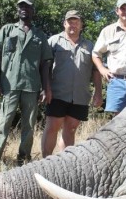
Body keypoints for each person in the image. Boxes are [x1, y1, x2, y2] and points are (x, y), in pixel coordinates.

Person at [0, 0, 52, 168]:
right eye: (21, 6)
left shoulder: (40, 35)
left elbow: (46, 63)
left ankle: (23, 160)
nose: (24, 8)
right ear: (17, 9)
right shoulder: (7, 30)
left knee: (29, 126)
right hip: (9, 84)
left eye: (28, 6)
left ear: (33, 10)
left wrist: (45, 88)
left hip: (32, 86)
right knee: (3, 123)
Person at [41, 10, 103, 157]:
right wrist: (45, 89)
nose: (73, 25)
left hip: (80, 95)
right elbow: (45, 67)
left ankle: (64, 164)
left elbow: (96, 71)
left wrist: (98, 92)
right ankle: (45, 162)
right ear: (64, 24)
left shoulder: (89, 45)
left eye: (76, 22)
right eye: (70, 21)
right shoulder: (53, 41)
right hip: (56, 93)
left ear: (81, 25)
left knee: (70, 129)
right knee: (52, 127)